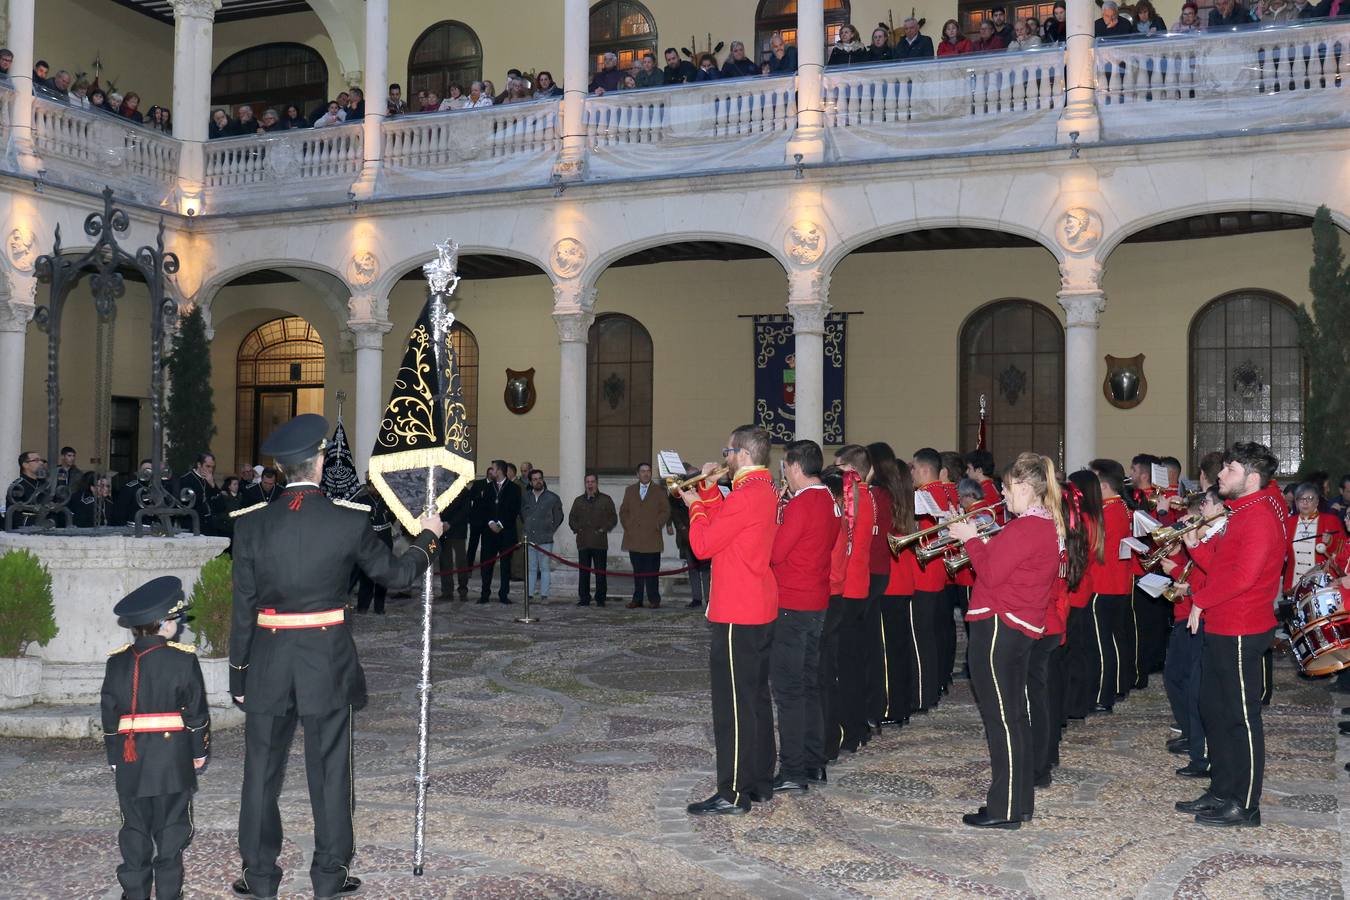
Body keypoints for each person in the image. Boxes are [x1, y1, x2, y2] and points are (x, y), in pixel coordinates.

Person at [228, 414, 443, 900]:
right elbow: (396, 576)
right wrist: (428, 538)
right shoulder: (349, 520)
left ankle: (259, 875)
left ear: (281, 470)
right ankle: (329, 875)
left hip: (267, 660)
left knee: (260, 772)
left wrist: (238, 674)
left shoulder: (251, 524)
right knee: (329, 771)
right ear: (320, 464)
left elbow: (243, 609)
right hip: (326, 660)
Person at [948, 452, 1065, 829]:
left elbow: (990, 573)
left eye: (1008, 487)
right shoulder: (1042, 524)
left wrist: (970, 539)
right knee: (1013, 717)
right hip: (1016, 627)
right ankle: (1017, 803)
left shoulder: (1026, 527)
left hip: (1000, 626)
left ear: (1027, 488)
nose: (1001, 493)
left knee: (1002, 720)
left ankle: (1005, 809)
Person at [1175, 442, 1285, 827]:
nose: (1220, 475)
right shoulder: (1242, 510)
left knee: (1241, 717)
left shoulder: (1259, 517)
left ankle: (1246, 803)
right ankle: (1222, 790)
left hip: (1242, 627)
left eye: (1230, 469)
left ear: (1251, 478)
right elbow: (1223, 565)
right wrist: (1195, 547)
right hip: (1223, 624)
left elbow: (1243, 578)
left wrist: (1200, 601)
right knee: (1214, 709)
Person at [680, 425, 778, 815]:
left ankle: (733, 791)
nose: (725, 458)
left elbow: (703, 544)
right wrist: (706, 492)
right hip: (758, 606)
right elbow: (727, 527)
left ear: (743, 455)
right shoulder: (762, 489)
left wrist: (693, 506)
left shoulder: (746, 494)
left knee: (733, 705)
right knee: (756, 698)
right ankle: (759, 781)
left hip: (738, 609)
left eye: (728, 452)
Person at [101, 576, 209, 900]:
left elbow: (109, 715)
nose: (178, 624)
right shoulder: (184, 660)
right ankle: (168, 893)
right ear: (163, 624)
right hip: (172, 762)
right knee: (172, 831)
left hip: (130, 760)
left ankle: (134, 893)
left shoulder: (116, 661)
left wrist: (114, 757)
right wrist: (198, 752)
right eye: (175, 618)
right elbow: (196, 713)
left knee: (134, 831)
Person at [768, 439, 839, 792]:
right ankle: (813, 762)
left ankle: (793, 770)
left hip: (792, 604)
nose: (785, 474)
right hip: (817, 602)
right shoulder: (830, 501)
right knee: (809, 685)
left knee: (789, 690)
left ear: (795, 467)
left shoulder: (803, 503)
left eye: (785, 467)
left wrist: (774, 516)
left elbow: (776, 552)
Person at [1162, 489, 1224, 779]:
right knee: (1183, 681)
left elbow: (1215, 578)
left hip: (1206, 618)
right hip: (1195, 615)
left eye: (1206, 504)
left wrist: (1188, 553)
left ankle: (1205, 756)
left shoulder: (1218, 536)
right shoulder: (1210, 535)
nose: (1201, 509)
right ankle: (1198, 748)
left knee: (1198, 690)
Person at [830, 445, 875, 755]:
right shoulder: (866, 495)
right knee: (855, 663)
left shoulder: (851, 497)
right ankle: (857, 726)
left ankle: (847, 730)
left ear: (849, 469)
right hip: (860, 587)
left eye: (838, 468)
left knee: (843, 667)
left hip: (846, 588)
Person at [1089, 458, 1134, 708]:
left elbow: (1093, 547)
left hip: (1102, 582)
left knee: (1102, 642)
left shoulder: (1108, 511)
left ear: (1104, 485)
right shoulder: (1120, 507)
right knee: (1115, 639)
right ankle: (1117, 685)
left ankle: (1102, 695)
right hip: (1117, 582)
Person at [1063, 470, 1105, 721]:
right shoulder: (1094, 517)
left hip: (1076, 590)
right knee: (1081, 650)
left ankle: (1074, 704)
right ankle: (1080, 701)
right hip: (1083, 587)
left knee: (1074, 652)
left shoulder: (1082, 520)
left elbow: (1074, 556)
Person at [620, 462, 670, 609]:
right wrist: (628, 525)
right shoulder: (629, 490)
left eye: (648, 471)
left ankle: (654, 599)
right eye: (643, 471)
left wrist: (657, 524)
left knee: (652, 572)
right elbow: (623, 511)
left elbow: (666, 510)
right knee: (637, 572)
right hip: (634, 538)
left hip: (652, 538)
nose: (646, 474)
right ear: (637, 474)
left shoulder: (659, 490)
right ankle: (637, 599)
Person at [569, 474, 617, 606]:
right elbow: (572, 518)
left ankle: (600, 598)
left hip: (599, 542)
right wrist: (578, 529)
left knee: (600, 573)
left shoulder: (606, 500)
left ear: (597, 483)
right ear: (585, 484)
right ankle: (584, 598)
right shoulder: (578, 501)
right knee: (583, 573)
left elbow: (613, 518)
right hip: (583, 542)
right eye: (587, 482)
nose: (590, 484)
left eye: (592, 482)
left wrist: (604, 529)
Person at [1283, 482, 1342, 591]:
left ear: (1317, 501)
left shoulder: (1331, 521)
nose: (1305, 502)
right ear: (1296, 502)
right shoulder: (1289, 522)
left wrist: (1329, 543)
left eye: (1310, 498)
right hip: (1293, 585)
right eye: (1301, 499)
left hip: (1322, 586)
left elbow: (1342, 552)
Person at [477, 459, 521, 604]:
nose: (491, 471)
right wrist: (490, 522)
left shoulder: (514, 488)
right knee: (486, 565)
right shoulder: (488, 488)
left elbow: (513, 510)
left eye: (493, 469)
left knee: (505, 566)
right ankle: (485, 594)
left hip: (506, 532)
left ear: (500, 471)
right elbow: (483, 508)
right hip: (489, 533)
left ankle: (503, 594)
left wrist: (500, 524)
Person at [351, 473, 395, 614]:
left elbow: (393, 517)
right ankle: (363, 606)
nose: (377, 489)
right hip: (368, 540)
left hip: (384, 539)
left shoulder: (389, 500)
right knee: (366, 574)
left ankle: (379, 607)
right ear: (369, 486)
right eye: (374, 486)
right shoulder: (362, 500)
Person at [521, 469, 563, 600]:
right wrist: (528, 526)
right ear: (530, 482)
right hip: (530, 538)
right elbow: (522, 514)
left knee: (545, 568)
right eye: (534, 479)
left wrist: (550, 529)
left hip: (545, 539)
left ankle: (544, 595)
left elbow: (559, 516)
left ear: (543, 480)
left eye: (540, 478)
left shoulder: (553, 498)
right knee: (531, 568)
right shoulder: (526, 497)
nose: (538, 481)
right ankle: (529, 595)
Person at [669, 492, 710, 609]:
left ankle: (709, 599)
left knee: (706, 570)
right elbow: (674, 512)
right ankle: (696, 598)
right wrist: (683, 529)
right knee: (693, 569)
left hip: (703, 533)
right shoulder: (677, 494)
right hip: (686, 536)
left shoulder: (702, 491)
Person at [439, 487, 472, 601]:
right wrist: (440, 523)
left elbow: (465, 510)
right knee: (445, 562)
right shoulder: (441, 488)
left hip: (458, 531)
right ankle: (447, 591)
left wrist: (450, 523)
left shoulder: (463, 490)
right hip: (443, 530)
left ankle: (463, 590)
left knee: (461, 561)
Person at [177, 453, 219, 535]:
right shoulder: (186, 479)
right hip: (193, 525)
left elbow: (221, 505)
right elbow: (187, 504)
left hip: (209, 525)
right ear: (199, 465)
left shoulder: (210, 480)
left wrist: (213, 485)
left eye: (212, 467)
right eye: (208, 466)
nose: (210, 470)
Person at [5, 450, 46, 530]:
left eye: (41, 460)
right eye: (36, 460)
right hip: (26, 531)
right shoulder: (17, 486)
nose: (41, 463)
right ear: (25, 465)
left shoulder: (45, 484)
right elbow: (15, 515)